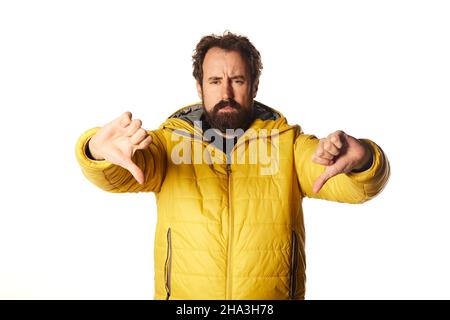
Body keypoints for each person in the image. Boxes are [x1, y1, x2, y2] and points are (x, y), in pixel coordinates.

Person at [75, 31, 390, 300]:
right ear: (200, 88)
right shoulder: (169, 144)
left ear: (254, 86)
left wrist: (363, 160)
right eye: (215, 81)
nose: (225, 93)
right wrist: (96, 150)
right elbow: (121, 171)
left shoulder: (288, 144)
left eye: (237, 80)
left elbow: (346, 181)